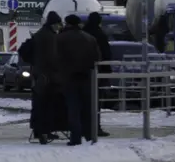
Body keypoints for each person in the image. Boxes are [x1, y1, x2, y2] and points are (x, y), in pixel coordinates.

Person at [58, 14, 102, 146]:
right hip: (87, 76)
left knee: (73, 108)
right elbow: (97, 57)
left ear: (67, 23)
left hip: (68, 77)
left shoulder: (60, 38)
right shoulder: (90, 38)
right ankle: (89, 135)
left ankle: (75, 137)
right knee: (88, 107)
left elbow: (55, 57)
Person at [27, 12, 65, 144]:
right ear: (54, 24)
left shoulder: (39, 34)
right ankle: (45, 131)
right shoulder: (50, 37)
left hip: (38, 74)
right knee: (47, 104)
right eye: (58, 24)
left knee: (38, 104)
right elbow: (53, 58)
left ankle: (38, 130)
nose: (59, 27)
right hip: (48, 76)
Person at [82, 13, 112, 138]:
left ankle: (83, 127)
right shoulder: (100, 34)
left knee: (83, 102)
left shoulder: (83, 32)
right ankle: (95, 127)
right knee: (96, 101)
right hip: (98, 72)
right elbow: (106, 53)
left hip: (82, 71)